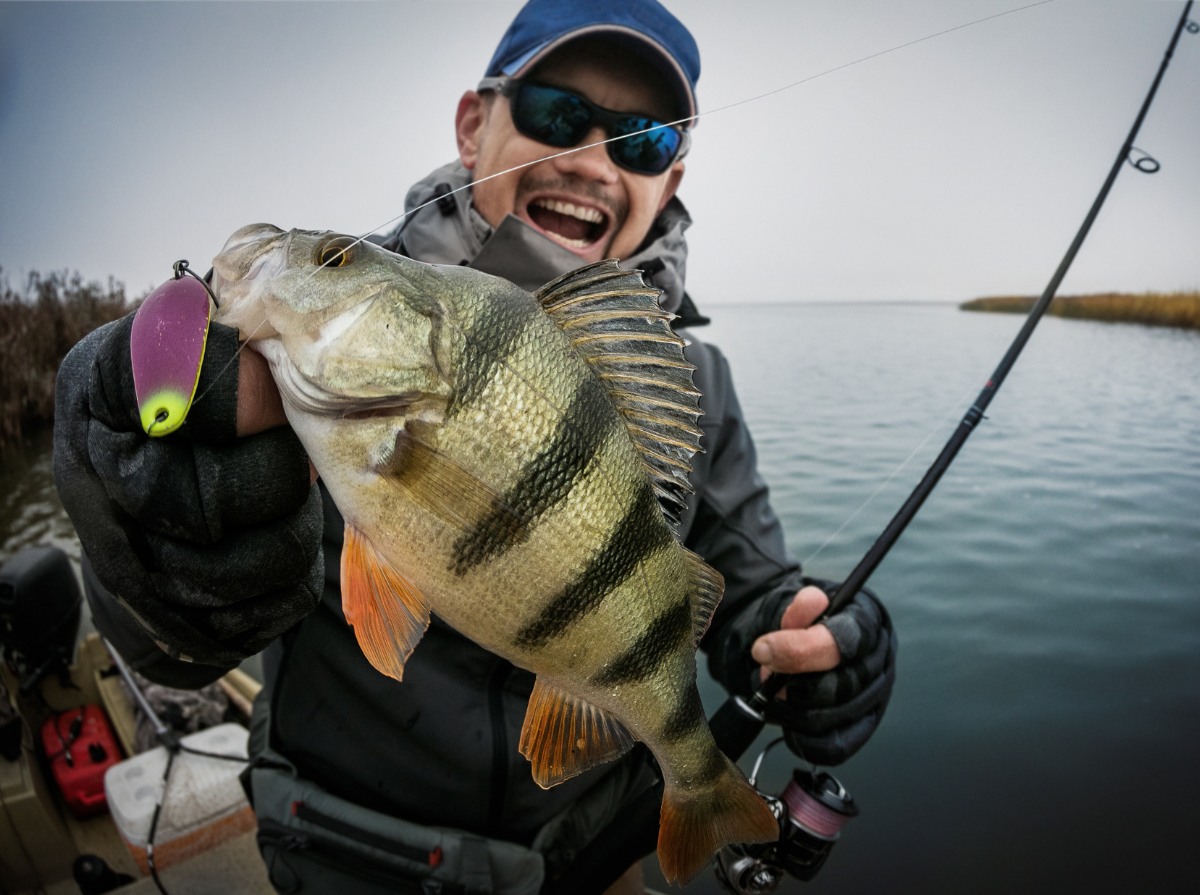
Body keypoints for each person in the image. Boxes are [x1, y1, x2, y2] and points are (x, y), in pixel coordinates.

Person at [53, 1, 896, 892]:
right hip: (346, 849)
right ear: (473, 125)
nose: (588, 161)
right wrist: (148, 554)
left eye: (641, 140)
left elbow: (741, 584)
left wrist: (805, 641)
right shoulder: (297, 353)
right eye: (558, 115)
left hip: (592, 850)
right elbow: (167, 654)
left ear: (671, 177)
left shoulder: (695, 383)